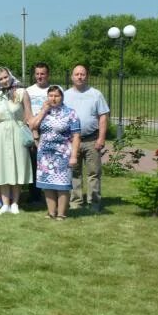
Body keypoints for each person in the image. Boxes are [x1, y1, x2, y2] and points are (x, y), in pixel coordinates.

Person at [0, 66, 33, 215]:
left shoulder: (22, 92)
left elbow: (28, 115)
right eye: (0, 79)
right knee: (3, 167)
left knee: (17, 166)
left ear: (10, 76)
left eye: (6, 77)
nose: (4, 80)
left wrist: (32, 134)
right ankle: (5, 204)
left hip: (17, 131)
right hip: (0, 133)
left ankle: (15, 203)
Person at [28, 86, 81, 220]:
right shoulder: (44, 111)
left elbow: (76, 136)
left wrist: (74, 156)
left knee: (62, 185)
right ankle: (51, 212)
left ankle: (61, 213)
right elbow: (32, 126)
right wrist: (43, 111)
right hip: (45, 154)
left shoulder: (70, 113)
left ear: (62, 97)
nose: (53, 98)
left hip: (62, 154)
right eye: (50, 95)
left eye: (56, 95)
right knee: (47, 185)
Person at [63, 64, 110, 212]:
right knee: (74, 173)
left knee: (94, 173)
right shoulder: (66, 95)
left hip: (92, 140)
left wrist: (101, 138)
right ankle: (76, 202)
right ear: (72, 77)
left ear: (87, 76)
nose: (79, 77)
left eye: (82, 74)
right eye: (76, 74)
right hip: (72, 141)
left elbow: (103, 117)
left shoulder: (96, 94)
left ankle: (94, 203)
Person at [25, 62, 53, 204]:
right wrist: (34, 131)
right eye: (37, 74)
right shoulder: (28, 91)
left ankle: (51, 194)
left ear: (48, 75)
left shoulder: (54, 90)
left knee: (50, 163)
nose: (40, 76)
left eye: (43, 74)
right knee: (34, 163)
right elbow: (26, 113)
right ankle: (35, 195)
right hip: (32, 129)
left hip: (51, 131)